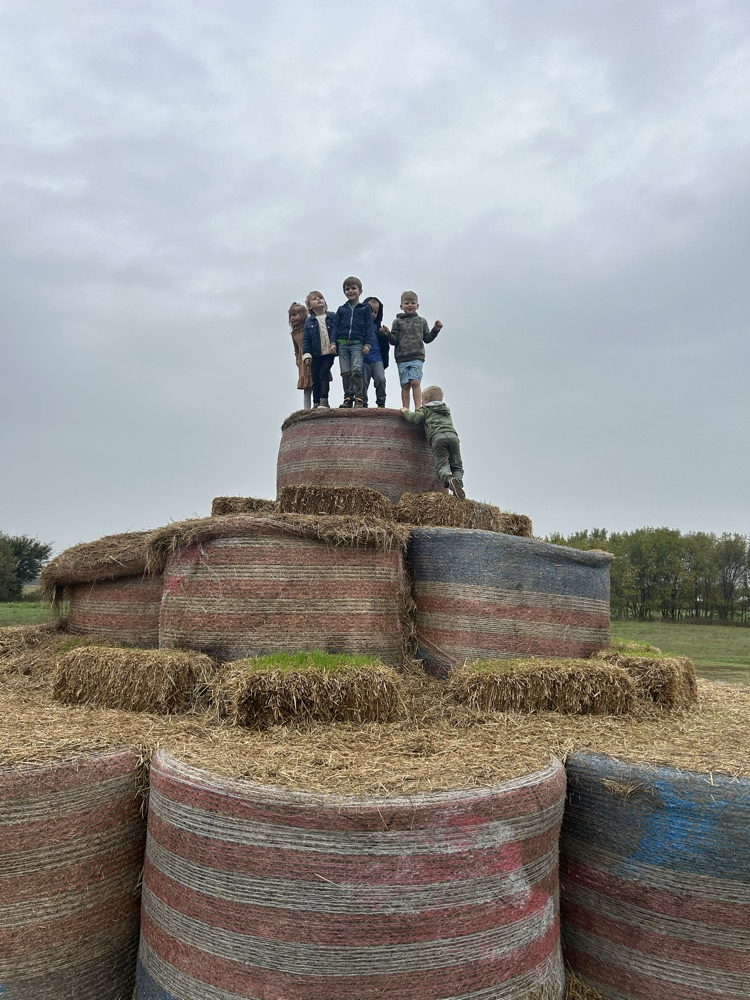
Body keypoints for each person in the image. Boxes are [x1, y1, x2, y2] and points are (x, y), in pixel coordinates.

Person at [400, 385, 465, 499]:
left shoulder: (425, 410)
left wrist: (405, 411)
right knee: (457, 465)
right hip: (453, 437)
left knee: (442, 465)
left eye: (421, 398)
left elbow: (415, 419)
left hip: (438, 438)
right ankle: (457, 482)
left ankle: (449, 480)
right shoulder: (446, 410)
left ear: (427, 399)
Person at [388, 290, 442, 410]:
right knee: (405, 385)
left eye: (413, 303)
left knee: (415, 382)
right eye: (407, 303)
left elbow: (427, 338)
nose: (410, 305)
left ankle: (418, 408)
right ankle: (405, 408)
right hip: (402, 357)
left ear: (417, 306)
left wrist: (436, 329)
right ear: (401, 306)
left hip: (417, 356)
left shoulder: (421, 321)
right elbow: (394, 340)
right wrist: (386, 334)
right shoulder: (397, 322)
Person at [331, 276, 371, 408]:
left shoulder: (365, 309)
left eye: (353, 288)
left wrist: (368, 344)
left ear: (360, 290)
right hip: (342, 344)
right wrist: (333, 343)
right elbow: (336, 327)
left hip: (357, 344)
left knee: (356, 370)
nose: (350, 291)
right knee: (345, 372)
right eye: (347, 289)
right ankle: (348, 397)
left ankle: (359, 397)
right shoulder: (342, 309)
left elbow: (369, 328)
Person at [301, 291, 336, 408]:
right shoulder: (309, 322)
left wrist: (335, 344)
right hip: (316, 354)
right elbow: (306, 339)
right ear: (310, 306)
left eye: (321, 297)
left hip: (329, 353)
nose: (319, 299)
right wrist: (306, 354)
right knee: (315, 377)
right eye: (315, 299)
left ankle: (324, 400)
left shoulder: (332, 316)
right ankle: (316, 402)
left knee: (323, 374)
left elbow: (337, 332)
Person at [362, 296, 389, 407]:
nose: (373, 314)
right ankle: (362, 402)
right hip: (363, 359)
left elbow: (385, 346)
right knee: (363, 382)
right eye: (370, 311)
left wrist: (386, 334)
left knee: (381, 379)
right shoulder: (359, 326)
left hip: (377, 359)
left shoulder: (379, 328)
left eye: (376, 312)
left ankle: (381, 402)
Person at [288, 301, 313, 410]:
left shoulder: (310, 327)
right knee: (306, 387)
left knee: (317, 381)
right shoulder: (294, 333)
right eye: (291, 316)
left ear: (302, 315)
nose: (292, 318)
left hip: (312, 357)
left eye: (295, 315)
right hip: (302, 362)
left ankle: (319, 403)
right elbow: (296, 348)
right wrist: (297, 360)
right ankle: (306, 409)